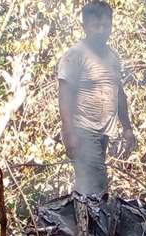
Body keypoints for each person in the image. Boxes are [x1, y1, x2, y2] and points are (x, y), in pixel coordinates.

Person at [58, 1, 136, 195]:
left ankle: (83, 222)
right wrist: (68, 131)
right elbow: (65, 94)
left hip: (103, 132)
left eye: (106, 25)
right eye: (95, 26)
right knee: (97, 186)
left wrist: (127, 127)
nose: (101, 30)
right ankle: (91, 223)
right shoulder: (75, 55)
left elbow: (118, 93)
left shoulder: (113, 57)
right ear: (85, 26)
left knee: (89, 188)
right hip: (82, 130)